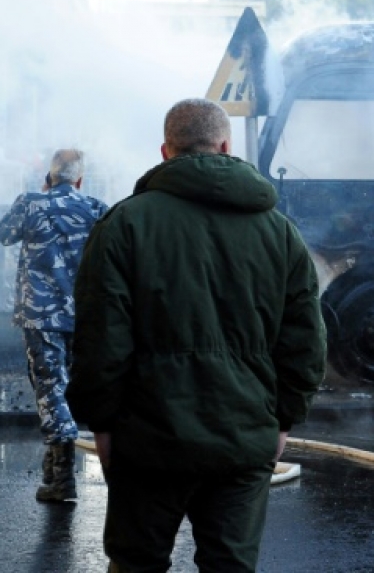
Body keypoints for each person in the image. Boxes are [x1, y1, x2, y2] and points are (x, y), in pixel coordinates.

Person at [66, 98, 327, 571]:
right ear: (226, 146)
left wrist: (100, 423)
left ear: (165, 151)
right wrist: (284, 419)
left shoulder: (124, 224)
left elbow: (100, 337)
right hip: (245, 435)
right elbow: (305, 339)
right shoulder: (279, 231)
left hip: (147, 438)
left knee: (137, 563)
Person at [0, 149, 107, 502]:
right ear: (79, 179)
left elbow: (4, 235)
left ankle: (62, 479)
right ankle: (53, 467)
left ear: (49, 177)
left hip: (42, 316)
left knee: (50, 389)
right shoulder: (95, 209)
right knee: (63, 389)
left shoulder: (31, 204)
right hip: (85, 317)